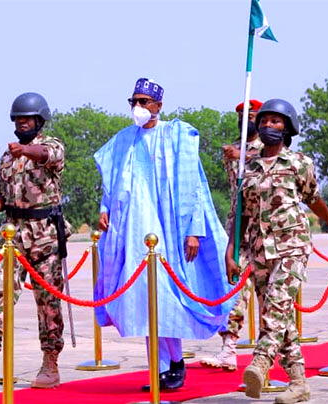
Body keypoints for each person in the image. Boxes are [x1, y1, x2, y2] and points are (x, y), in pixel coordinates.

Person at [94, 78, 235, 391]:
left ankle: (173, 362)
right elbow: (111, 183)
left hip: (170, 232)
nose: (138, 107)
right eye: (134, 101)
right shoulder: (123, 140)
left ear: (158, 105)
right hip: (134, 233)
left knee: (167, 297)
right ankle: (161, 368)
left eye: (144, 102)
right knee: (144, 298)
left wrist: (194, 232)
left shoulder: (177, 136)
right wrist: (104, 209)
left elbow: (195, 187)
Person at [226, 99, 328, 403]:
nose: (268, 126)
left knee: (276, 309)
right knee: (280, 317)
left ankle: (260, 362)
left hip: (291, 246)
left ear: (288, 127)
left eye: (276, 121)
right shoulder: (247, 168)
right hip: (259, 249)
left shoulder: (298, 162)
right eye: (264, 121)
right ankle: (298, 382)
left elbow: (314, 199)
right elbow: (240, 213)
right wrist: (232, 251)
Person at [0, 92, 70, 389]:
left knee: (48, 301)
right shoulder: (7, 157)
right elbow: (1, 197)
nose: (22, 123)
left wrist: (25, 150)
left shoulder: (51, 146)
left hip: (45, 232)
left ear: (39, 121)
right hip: (12, 232)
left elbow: (47, 157)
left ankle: (50, 361)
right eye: (18, 119)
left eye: (27, 119)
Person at [201, 98, 264, 371]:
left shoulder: (270, 148)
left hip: (269, 228)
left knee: (269, 294)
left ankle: (271, 351)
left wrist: (242, 155)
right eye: (242, 115)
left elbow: (264, 160)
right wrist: (238, 154)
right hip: (240, 226)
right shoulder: (233, 150)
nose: (245, 119)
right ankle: (229, 347)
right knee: (236, 289)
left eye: (251, 115)